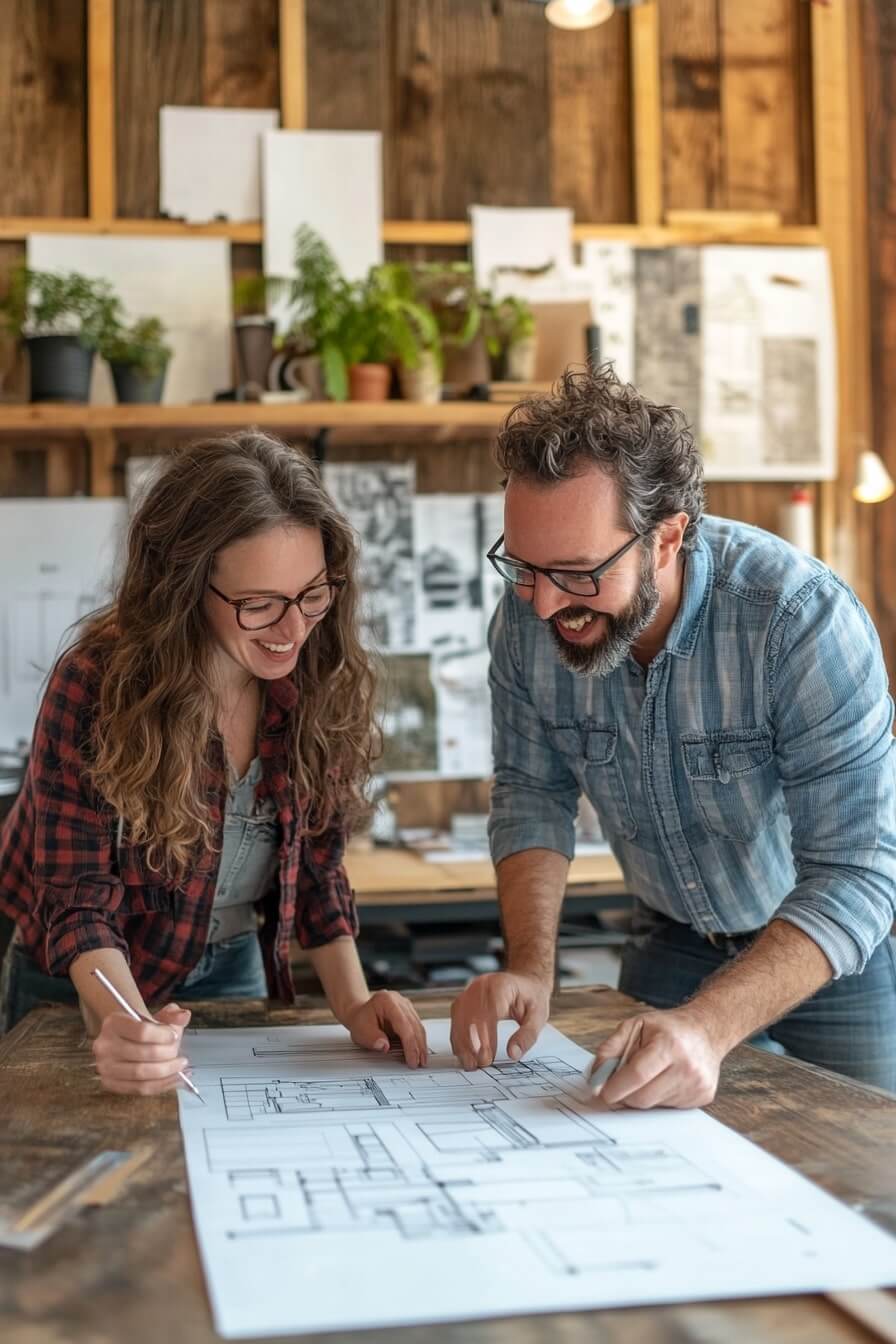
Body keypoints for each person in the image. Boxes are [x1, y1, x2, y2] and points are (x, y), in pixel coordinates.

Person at [450, 364, 896, 1105]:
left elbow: (858, 872)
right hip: (672, 934)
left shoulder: (800, 620)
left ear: (667, 538)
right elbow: (532, 795)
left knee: (867, 1180)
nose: (543, 605)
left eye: (576, 572)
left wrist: (709, 1026)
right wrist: (531, 967)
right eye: (524, 568)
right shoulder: (526, 625)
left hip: (827, 951)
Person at [0, 431, 427, 1093]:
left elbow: (319, 873)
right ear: (185, 587)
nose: (292, 631)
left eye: (313, 595)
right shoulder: (95, 683)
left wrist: (354, 1007)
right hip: (77, 979)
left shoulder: (317, 678)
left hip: (229, 965)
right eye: (259, 605)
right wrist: (124, 1027)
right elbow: (76, 904)